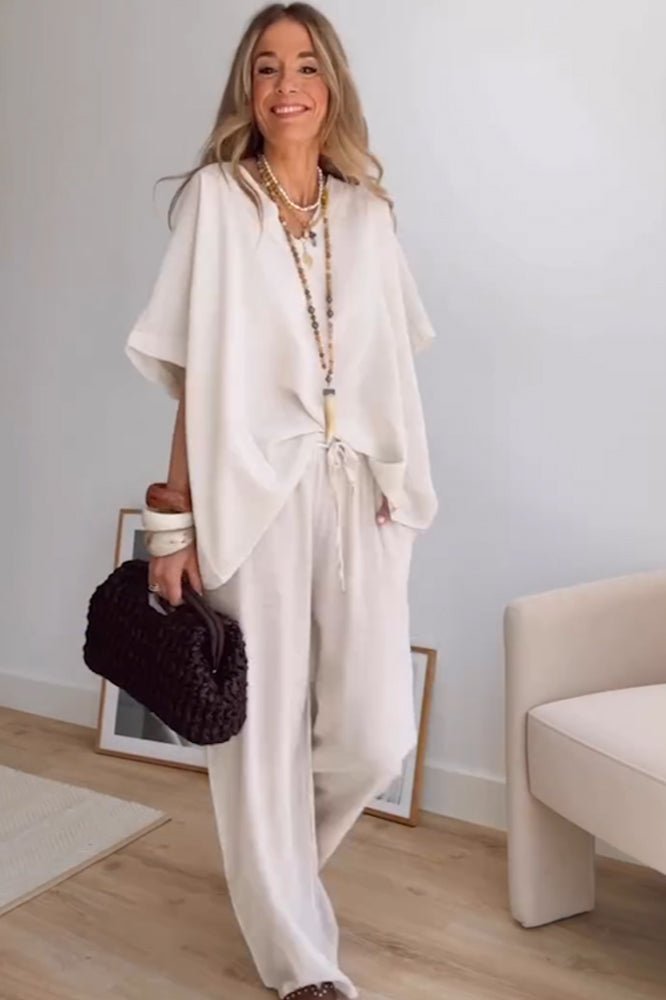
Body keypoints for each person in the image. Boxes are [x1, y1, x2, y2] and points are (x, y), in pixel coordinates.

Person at [125, 4, 437, 998]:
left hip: (358, 494)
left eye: (305, 65)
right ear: (247, 89)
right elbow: (195, 375)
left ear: (331, 83)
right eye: (266, 67)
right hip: (250, 491)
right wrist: (172, 522)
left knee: (374, 736)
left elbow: (393, 367)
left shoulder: (369, 215)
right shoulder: (218, 202)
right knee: (257, 738)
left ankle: (279, 882)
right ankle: (300, 963)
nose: (287, 84)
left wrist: (398, 478)